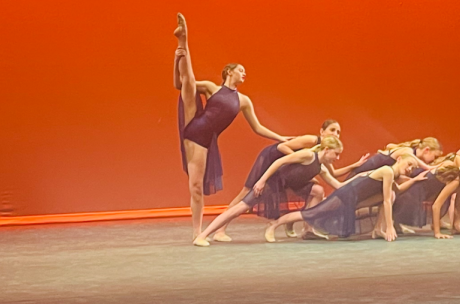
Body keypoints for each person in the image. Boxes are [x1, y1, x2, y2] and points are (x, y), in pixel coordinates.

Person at [174, 13, 288, 238]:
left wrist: (282, 138)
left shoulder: (243, 100)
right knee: (189, 79)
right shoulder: (211, 87)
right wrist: (176, 58)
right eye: (240, 69)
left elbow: (257, 128)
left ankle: (199, 233)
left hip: (207, 139)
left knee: (196, 188)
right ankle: (183, 41)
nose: (244, 73)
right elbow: (179, 83)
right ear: (229, 71)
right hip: (195, 125)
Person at [211, 120, 353, 242]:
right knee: (247, 193)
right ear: (322, 131)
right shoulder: (312, 141)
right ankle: (220, 230)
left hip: (288, 167)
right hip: (272, 158)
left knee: (313, 189)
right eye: (332, 130)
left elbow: (333, 174)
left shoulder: (324, 153)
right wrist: (299, 160)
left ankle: (304, 228)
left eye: (338, 132)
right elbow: (281, 147)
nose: (335, 134)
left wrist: (355, 166)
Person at [264, 155, 420, 242]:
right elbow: (385, 200)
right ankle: (274, 225)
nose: (409, 169)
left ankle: (377, 229)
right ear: (399, 159)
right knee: (314, 213)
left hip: (355, 198)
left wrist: (414, 180)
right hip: (347, 196)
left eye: (412, 168)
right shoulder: (388, 171)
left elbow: (390, 189)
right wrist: (390, 226)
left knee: (392, 194)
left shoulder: (391, 175)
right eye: (408, 164)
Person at [394, 153, 460, 238]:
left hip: (427, 188)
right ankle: (392, 222)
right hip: (417, 192)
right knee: (397, 212)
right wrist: (437, 233)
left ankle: (456, 225)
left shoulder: (452, 168)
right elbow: (436, 206)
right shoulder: (455, 181)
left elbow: (456, 157)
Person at [349, 137, 442, 175]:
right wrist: (429, 167)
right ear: (427, 150)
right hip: (362, 172)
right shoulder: (408, 151)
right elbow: (413, 158)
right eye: (435, 156)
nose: (434, 160)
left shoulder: (412, 155)